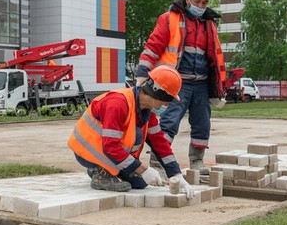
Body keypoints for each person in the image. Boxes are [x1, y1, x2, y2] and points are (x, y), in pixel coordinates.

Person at [135, 0, 226, 174]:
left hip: (201, 84)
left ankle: (197, 162)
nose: (200, 6)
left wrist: (219, 87)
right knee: (169, 123)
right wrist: (142, 74)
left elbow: (215, 58)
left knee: (202, 124)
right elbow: (152, 48)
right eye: (197, 1)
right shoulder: (169, 19)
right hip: (176, 83)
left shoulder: (209, 25)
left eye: (204, 3)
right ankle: (158, 164)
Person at [68, 65, 195, 197]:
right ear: (158, 92)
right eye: (168, 99)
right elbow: (110, 146)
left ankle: (102, 170)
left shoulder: (146, 113)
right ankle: (100, 171)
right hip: (87, 152)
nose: (167, 104)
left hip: (108, 153)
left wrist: (176, 174)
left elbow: (160, 144)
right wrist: (143, 169)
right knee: (138, 141)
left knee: (139, 184)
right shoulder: (118, 104)